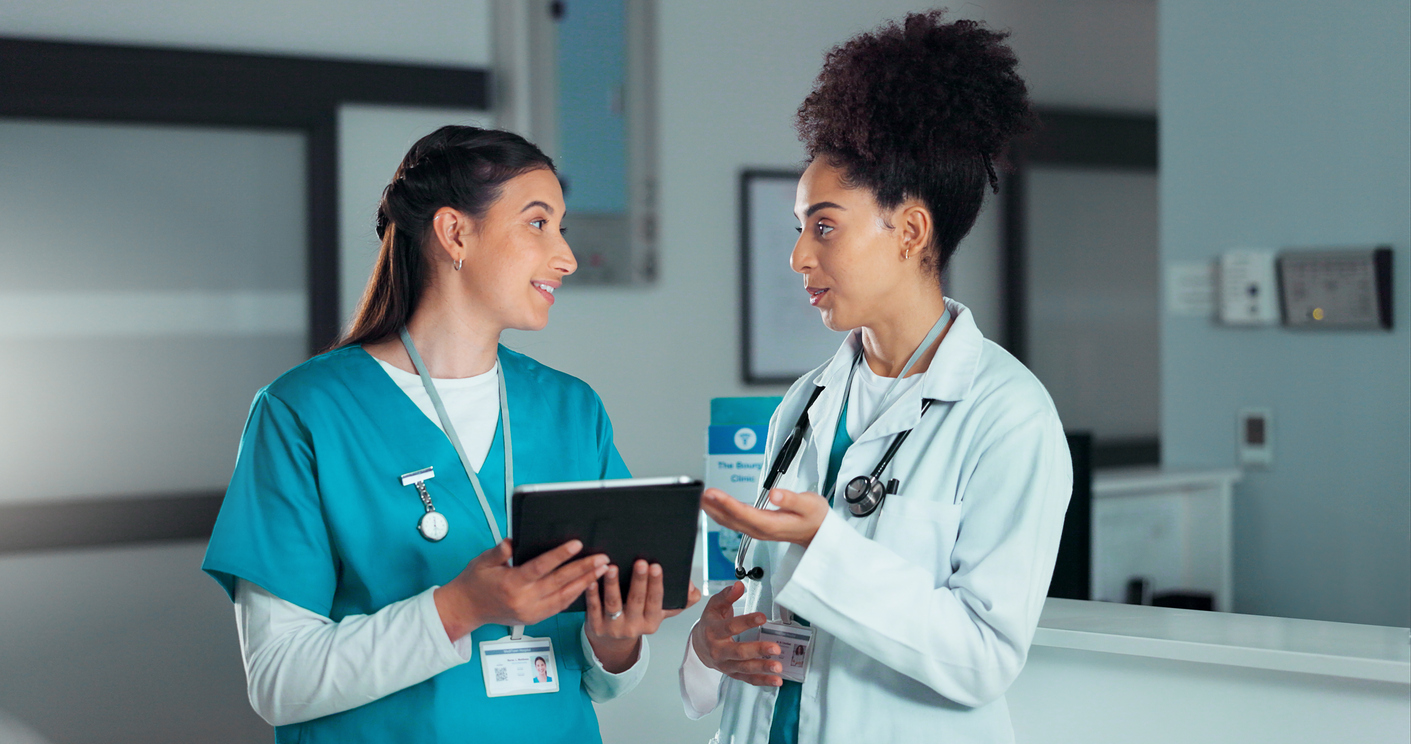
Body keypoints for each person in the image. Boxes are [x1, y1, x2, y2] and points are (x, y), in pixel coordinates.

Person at [203, 125, 695, 742]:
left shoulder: (572, 409)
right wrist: (459, 609)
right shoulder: (305, 411)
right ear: (455, 232)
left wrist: (616, 638)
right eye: (539, 224)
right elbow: (279, 681)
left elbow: (603, 681)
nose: (566, 256)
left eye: (561, 228)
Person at [680, 12, 1072, 744]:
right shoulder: (804, 403)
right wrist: (710, 645)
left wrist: (825, 547)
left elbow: (983, 658)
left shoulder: (1007, 416)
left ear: (911, 232)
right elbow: (755, 608)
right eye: (799, 226)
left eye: (822, 227)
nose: (798, 256)